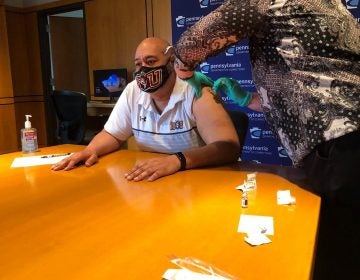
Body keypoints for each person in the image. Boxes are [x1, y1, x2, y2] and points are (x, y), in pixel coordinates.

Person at [174, 0, 360, 278]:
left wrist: (183, 69)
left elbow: (195, 42)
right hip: (347, 142)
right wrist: (249, 99)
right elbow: (310, 88)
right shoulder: (332, 5)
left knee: (339, 256)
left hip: (343, 147)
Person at [52, 37, 240, 182]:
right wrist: (90, 150)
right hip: (153, 178)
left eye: (151, 62)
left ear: (172, 63)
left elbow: (227, 148)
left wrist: (177, 160)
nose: (143, 70)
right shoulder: (133, 90)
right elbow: (113, 134)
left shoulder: (197, 91)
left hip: (200, 179)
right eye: (139, 64)